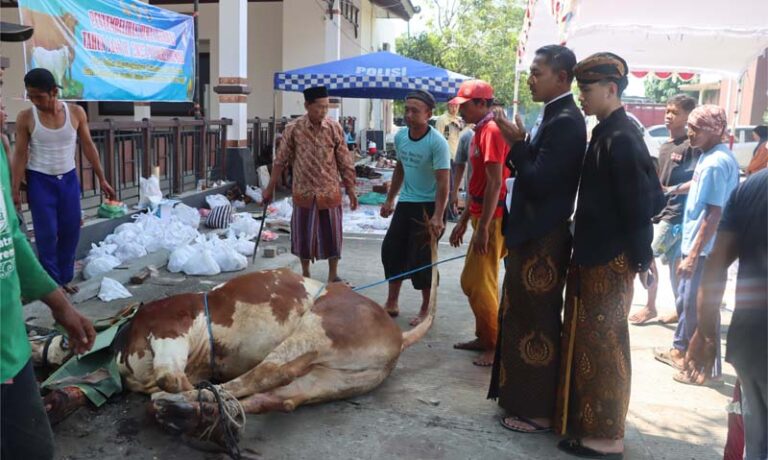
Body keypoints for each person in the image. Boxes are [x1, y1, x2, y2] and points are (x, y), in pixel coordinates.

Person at [555, 52, 663, 458]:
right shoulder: (606, 130)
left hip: (611, 259)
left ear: (611, 90)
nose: (581, 96)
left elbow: (640, 205)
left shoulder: (622, 138)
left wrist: (642, 256)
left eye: (586, 89)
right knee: (592, 343)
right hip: (595, 254)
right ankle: (593, 425)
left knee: (606, 345)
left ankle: (608, 438)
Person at [488, 45, 586, 434]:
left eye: (537, 72)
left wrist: (516, 144)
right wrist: (521, 145)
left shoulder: (566, 120)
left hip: (544, 237)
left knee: (537, 324)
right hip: (531, 234)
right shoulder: (554, 114)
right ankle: (517, 399)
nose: (530, 79)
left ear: (561, 77)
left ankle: (538, 410)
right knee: (518, 316)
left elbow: (541, 180)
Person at [1, 95, 97, 460]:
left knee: (33, 449)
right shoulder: (27, 123)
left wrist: (60, 304)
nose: (2, 103)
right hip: (43, 182)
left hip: (11, 347)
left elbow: (9, 237)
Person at [684, 169, 767, 460]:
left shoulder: (753, 186)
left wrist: (706, 332)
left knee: (757, 444)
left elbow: (716, 264)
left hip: (752, 346)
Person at [653, 105, 739, 386]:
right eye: (689, 126)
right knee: (692, 305)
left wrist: (692, 256)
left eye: (696, 128)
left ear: (713, 130)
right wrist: (673, 190)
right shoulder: (710, 156)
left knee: (698, 310)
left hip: (704, 249)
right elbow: (698, 184)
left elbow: (714, 213)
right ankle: (693, 360)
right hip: (699, 246)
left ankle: (704, 369)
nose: (689, 132)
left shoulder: (715, 162)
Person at [12, 68, 115, 294]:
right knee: (46, 233)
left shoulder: (76, 113)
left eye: (39, 96)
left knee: (70, 231)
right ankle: (52, 284)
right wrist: (14, 190)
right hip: (40, 181)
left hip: (68, 179)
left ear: (54, 92)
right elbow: (19, 154)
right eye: (31, 96)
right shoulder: (26, 117)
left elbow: (89, 146)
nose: (35, 101)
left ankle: (65, 278)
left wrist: (102, 179)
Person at [263, 86, 358, 282]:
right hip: (303, 193)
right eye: (319, 107)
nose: (323, 111)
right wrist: (269, 189)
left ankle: (333, 274)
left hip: (329, 192)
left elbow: (345, 162)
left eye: (326, 107)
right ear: (307, 105)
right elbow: (280, 161)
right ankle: (305, 274)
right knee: (303, 237)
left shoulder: (334, 128)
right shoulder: (293, 129)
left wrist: (351, 190)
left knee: (333, 235)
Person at [448, 80, 510, 367]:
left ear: (482, 104)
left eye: (466, 105)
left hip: (493, 218)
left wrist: (484, 226)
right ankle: (485, 336)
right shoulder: (478, 132)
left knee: (481, 283)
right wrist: (463, 220)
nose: (461, 110)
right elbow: (477, 184)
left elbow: (496, 182)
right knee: (470, 281)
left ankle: (495, 345)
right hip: (479, 215)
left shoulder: (493, 131)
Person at [380, 90, 450, 325]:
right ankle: (392, 302)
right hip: (407, 202)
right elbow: (400, 167)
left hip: (429, 206)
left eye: (415, 111)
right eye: (406, 109)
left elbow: (443, 182)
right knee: (392, 250)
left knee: (423, 260)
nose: (408, 115)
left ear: (428, 114)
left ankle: (426, 309)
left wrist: (439, 215)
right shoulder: (401, 136)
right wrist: (390, 199)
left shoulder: (437, 143)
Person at [629, 94, 698, 325]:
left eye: (675, 112)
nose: (668, 116)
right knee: (670, 264)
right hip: (660, 211)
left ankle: (651, 306)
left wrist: (671, 190)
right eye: (667, 111)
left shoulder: (691, 146)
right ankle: (673, 308)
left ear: (688, 116)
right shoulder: (666, 145)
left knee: (648, 256)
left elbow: (697, 180)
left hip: (676, 214)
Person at [449, 125, 474, 216]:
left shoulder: (496, 132)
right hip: (472, 197)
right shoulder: (467, 136)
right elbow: (460, 166)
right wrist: (454, 192)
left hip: (496, 200)